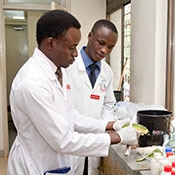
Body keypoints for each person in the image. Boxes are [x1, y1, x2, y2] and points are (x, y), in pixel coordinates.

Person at [7, 10, 137, 175]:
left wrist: (111, 125)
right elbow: (63, 140)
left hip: (58, 160)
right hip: (36, 165)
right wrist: (117, 137)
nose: (76, 54)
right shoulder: (33, 83)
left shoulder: (57, 71)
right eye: (72, 47)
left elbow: (72, 117)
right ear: (50, 44)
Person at [66, 19, 123, 175]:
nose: (104, 50)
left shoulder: (107, 71)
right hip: (70, 139)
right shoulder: (67, 65)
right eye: (101, 43)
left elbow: (108, 104)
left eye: (110, 47)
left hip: (95, 140)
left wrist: (107, 125)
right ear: (90, 36)